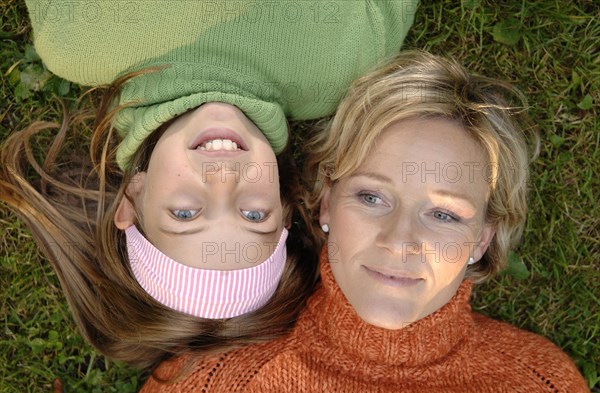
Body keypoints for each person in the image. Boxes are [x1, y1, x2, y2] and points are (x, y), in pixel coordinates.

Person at [137, 50, 592, 393]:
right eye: (372, 197)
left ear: (482, 239)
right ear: (328, 204)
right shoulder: (211, 383)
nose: (400, 241)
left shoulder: (539, 383)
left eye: (444, 214)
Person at [0, 0, 418, 368]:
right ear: (285, 206)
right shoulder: (343, 61)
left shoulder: (75, 39)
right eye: (254, 215)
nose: (224, 178)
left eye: (185, 213)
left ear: (133, 196)